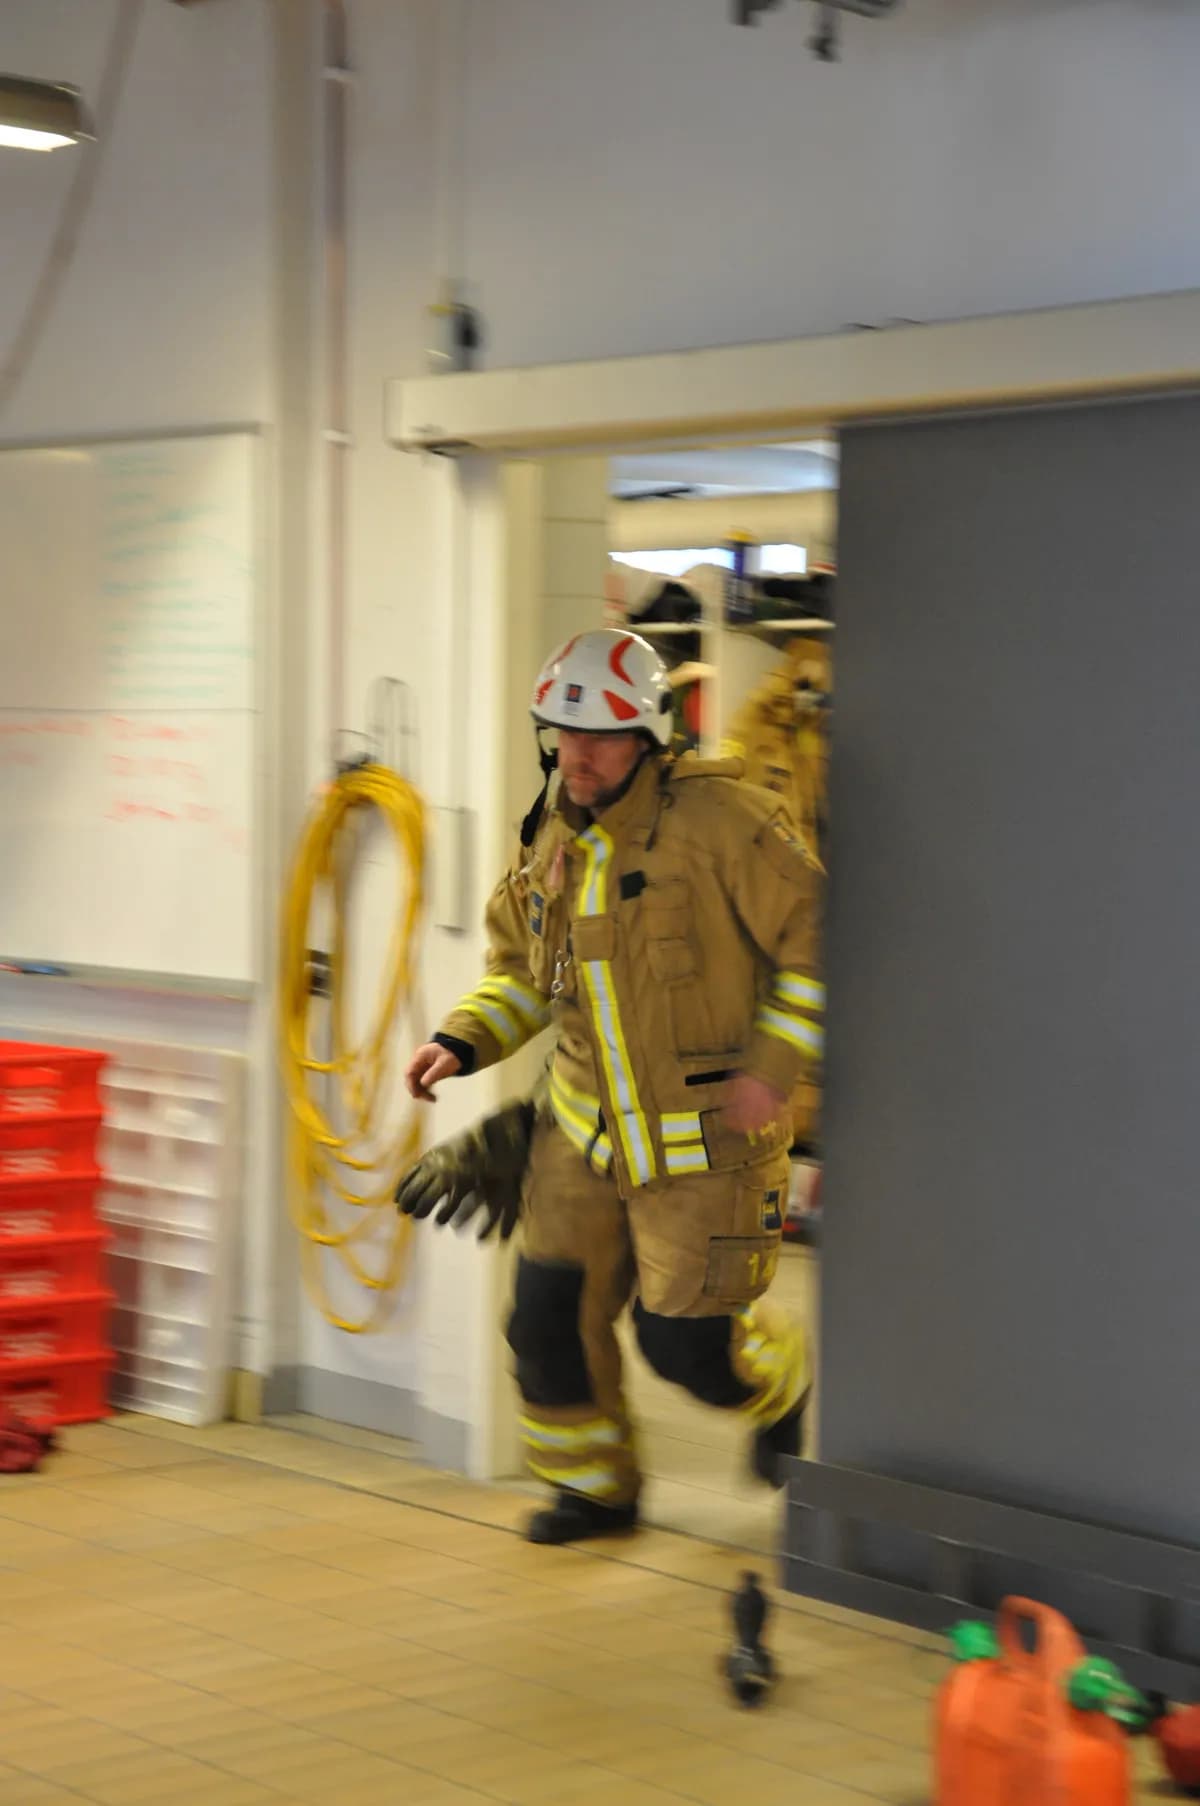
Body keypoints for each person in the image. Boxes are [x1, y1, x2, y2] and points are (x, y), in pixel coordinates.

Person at [402, 628, 824, 1545]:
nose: (577, 756)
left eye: (599, 736)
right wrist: (459, 1041)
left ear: (648, 738)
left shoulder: (727, 824)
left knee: (688, 1351)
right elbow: (527, 974)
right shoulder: (552, 838)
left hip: (706, 1145)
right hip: (580, 1134)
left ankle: (781, 1378)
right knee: (546, 1322)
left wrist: (772, 1071)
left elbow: (818, 944)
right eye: (563, 734)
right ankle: (595, 1491)